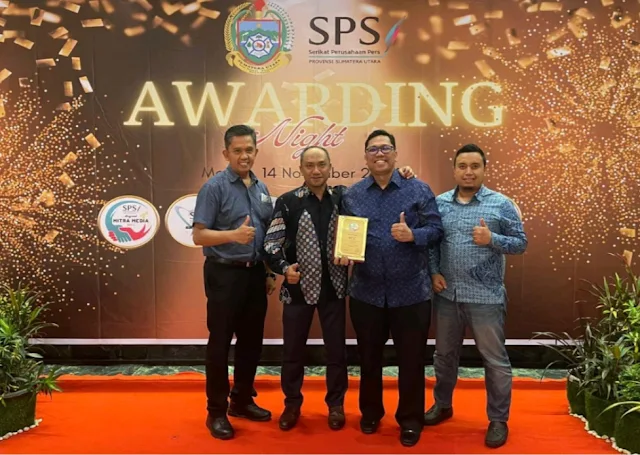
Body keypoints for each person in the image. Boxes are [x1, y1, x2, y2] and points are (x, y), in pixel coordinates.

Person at [263, 145, 416, 432]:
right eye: (310, 165)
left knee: (336, 353)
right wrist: (284, 268)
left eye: (321, 164)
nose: (316, 170)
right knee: (292, 352)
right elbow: (271, 243)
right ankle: (292, 404)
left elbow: (375, 185)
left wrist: (403, 173)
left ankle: (336, 405)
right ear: (301, 169)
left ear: (330, 166)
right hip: (297, 290)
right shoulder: (288, 202)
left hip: (334, 289)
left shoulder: (344, 197)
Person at [338, 129, 444, 447]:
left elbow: (437, 229)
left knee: (411, 362)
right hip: (366, 292)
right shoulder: (353, 195)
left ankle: (410, 420)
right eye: (373, 149)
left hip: (411, 293)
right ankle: (370, 413)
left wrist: (414, 235)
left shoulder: (418, 189)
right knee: (369, 359)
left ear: (396, 154)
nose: (379, 153)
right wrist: (344, 252)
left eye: (385, 148)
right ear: (366, 156)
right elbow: (346, 235)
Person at [424, 143, 527, 449]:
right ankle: (443, 404)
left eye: (474, 166)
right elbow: (432, 245)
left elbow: (520, 243)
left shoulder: (501, 204)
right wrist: (433, 272)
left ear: (484, 169)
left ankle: (498, 419)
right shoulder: (440, 203)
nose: (468, 172)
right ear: (454, 169)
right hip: (447, 296)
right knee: (444, 356)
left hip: (486, 298)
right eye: (463, 166)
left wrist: (492, 238)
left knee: (494, 361)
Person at [192, 124, 277, 440]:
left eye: (249, 150)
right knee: (220, 343)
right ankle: (216, 411)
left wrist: (268, 271)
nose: (244, 156)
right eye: (237, 150)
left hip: (254, 274)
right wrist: (233, 235)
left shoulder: (261, 187)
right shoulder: (214, 188)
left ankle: (241, 400)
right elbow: (199, 235)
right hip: (224, 274)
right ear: (226, 153)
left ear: (256, 151)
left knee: (252, 342)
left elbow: (265, 235)